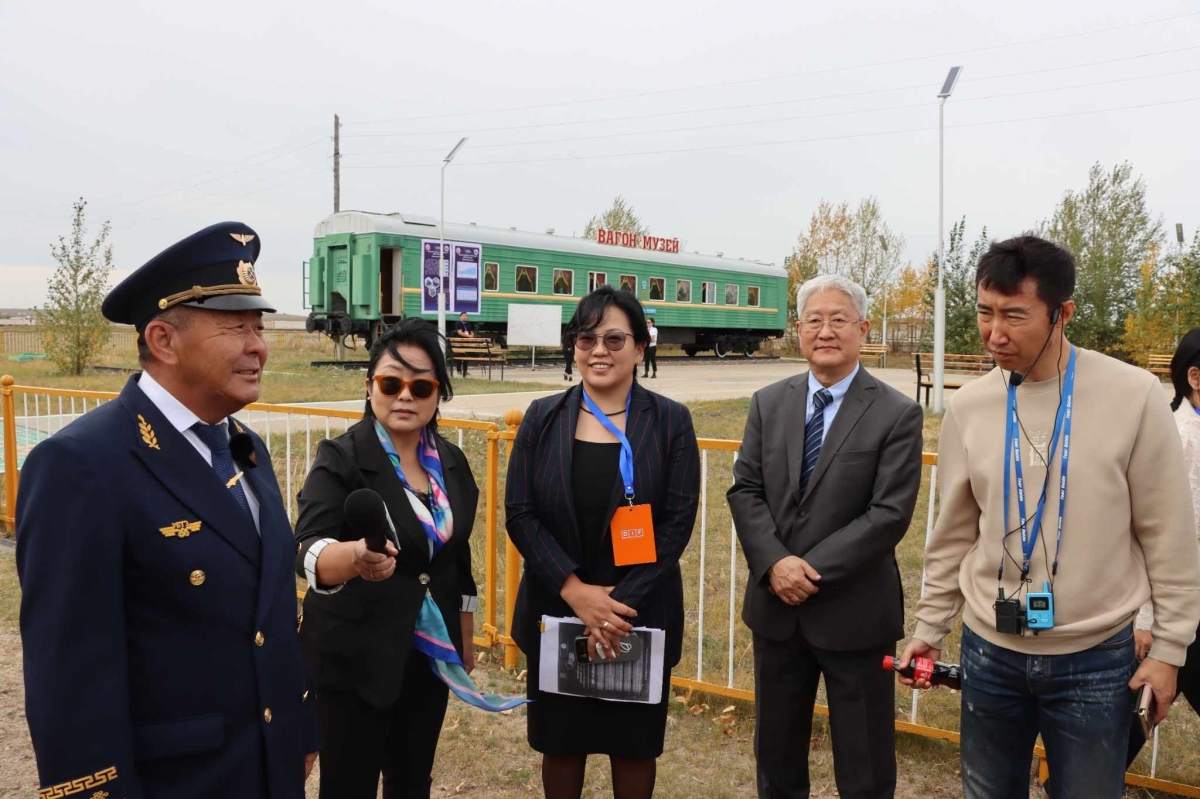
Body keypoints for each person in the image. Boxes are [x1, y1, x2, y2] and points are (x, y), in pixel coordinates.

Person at [16, 222, 320, 799]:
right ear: (163, 340)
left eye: (259, 327)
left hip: (267, 771)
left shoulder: (243, 447)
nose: (259, 346)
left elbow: (271, 614)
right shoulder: (82, 465)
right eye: (236, 328)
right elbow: (70, 677)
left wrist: (298, 726)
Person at [902, 235, 1200, 798]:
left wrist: (1169, 650)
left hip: (1097, 657)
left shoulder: (1133, 396)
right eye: (985, 313)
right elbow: (954, 533)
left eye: (1015, 315)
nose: (995, 333)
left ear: (1063, 313)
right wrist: (928, 626)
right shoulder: (970, 405)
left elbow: (1169, 535)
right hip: (991, 650)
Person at [295, 319, 522, 799]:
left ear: (438, 394)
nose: (405, 396)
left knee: (412, 780)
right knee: (348, 784)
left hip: (425, 657)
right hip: (352, 656)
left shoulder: (453, 463)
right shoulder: (341, 458)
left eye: (421, 385)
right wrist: (355, 556)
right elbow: (309, 548)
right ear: (370, 386)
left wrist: (464, 628)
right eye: (391, 382)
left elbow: (455, 557)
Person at [727, 274, 924, 799]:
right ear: (798, 329)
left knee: (864, 764)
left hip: (855, 612)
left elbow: (888, 514)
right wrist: (774, 564)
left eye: (839, 319)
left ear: (862, 329)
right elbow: (745, 490)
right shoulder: (769, 403)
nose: (826, 330)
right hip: (777, 611)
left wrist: (807, 571)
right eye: (814, 319)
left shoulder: (896, 413)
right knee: (777, 755)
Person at [506, 285, 700, 799]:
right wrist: (577, 594)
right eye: (586, 337)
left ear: (640, 347)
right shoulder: (542, 418)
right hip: (558, 608)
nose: (599, 350)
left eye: (615, 339)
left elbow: (676, 526)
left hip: (639, 614)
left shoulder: (671, 422)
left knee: (632, 747)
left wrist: (615, 609)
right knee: (562, 746)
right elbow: (520, 515)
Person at [1125, 327, 1200, 767]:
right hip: (1172, 608)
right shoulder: (1178, 439)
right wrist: (1147, 618)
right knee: (1138, 705)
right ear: (1195, 376)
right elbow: (1163, 538)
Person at [454, 311, 474, 377]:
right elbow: (459, 332)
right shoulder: (458, 323)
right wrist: (468, 336)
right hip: (460, 342)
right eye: (463, 316)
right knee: (459, 356)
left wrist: (472, 335)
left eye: (466, 316)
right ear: (461, 317)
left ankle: (465, 370)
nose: (465, 317)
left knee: (466, 356)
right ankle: (459, 370)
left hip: (467, 342)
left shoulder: (468, 324)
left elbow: (471, 332)